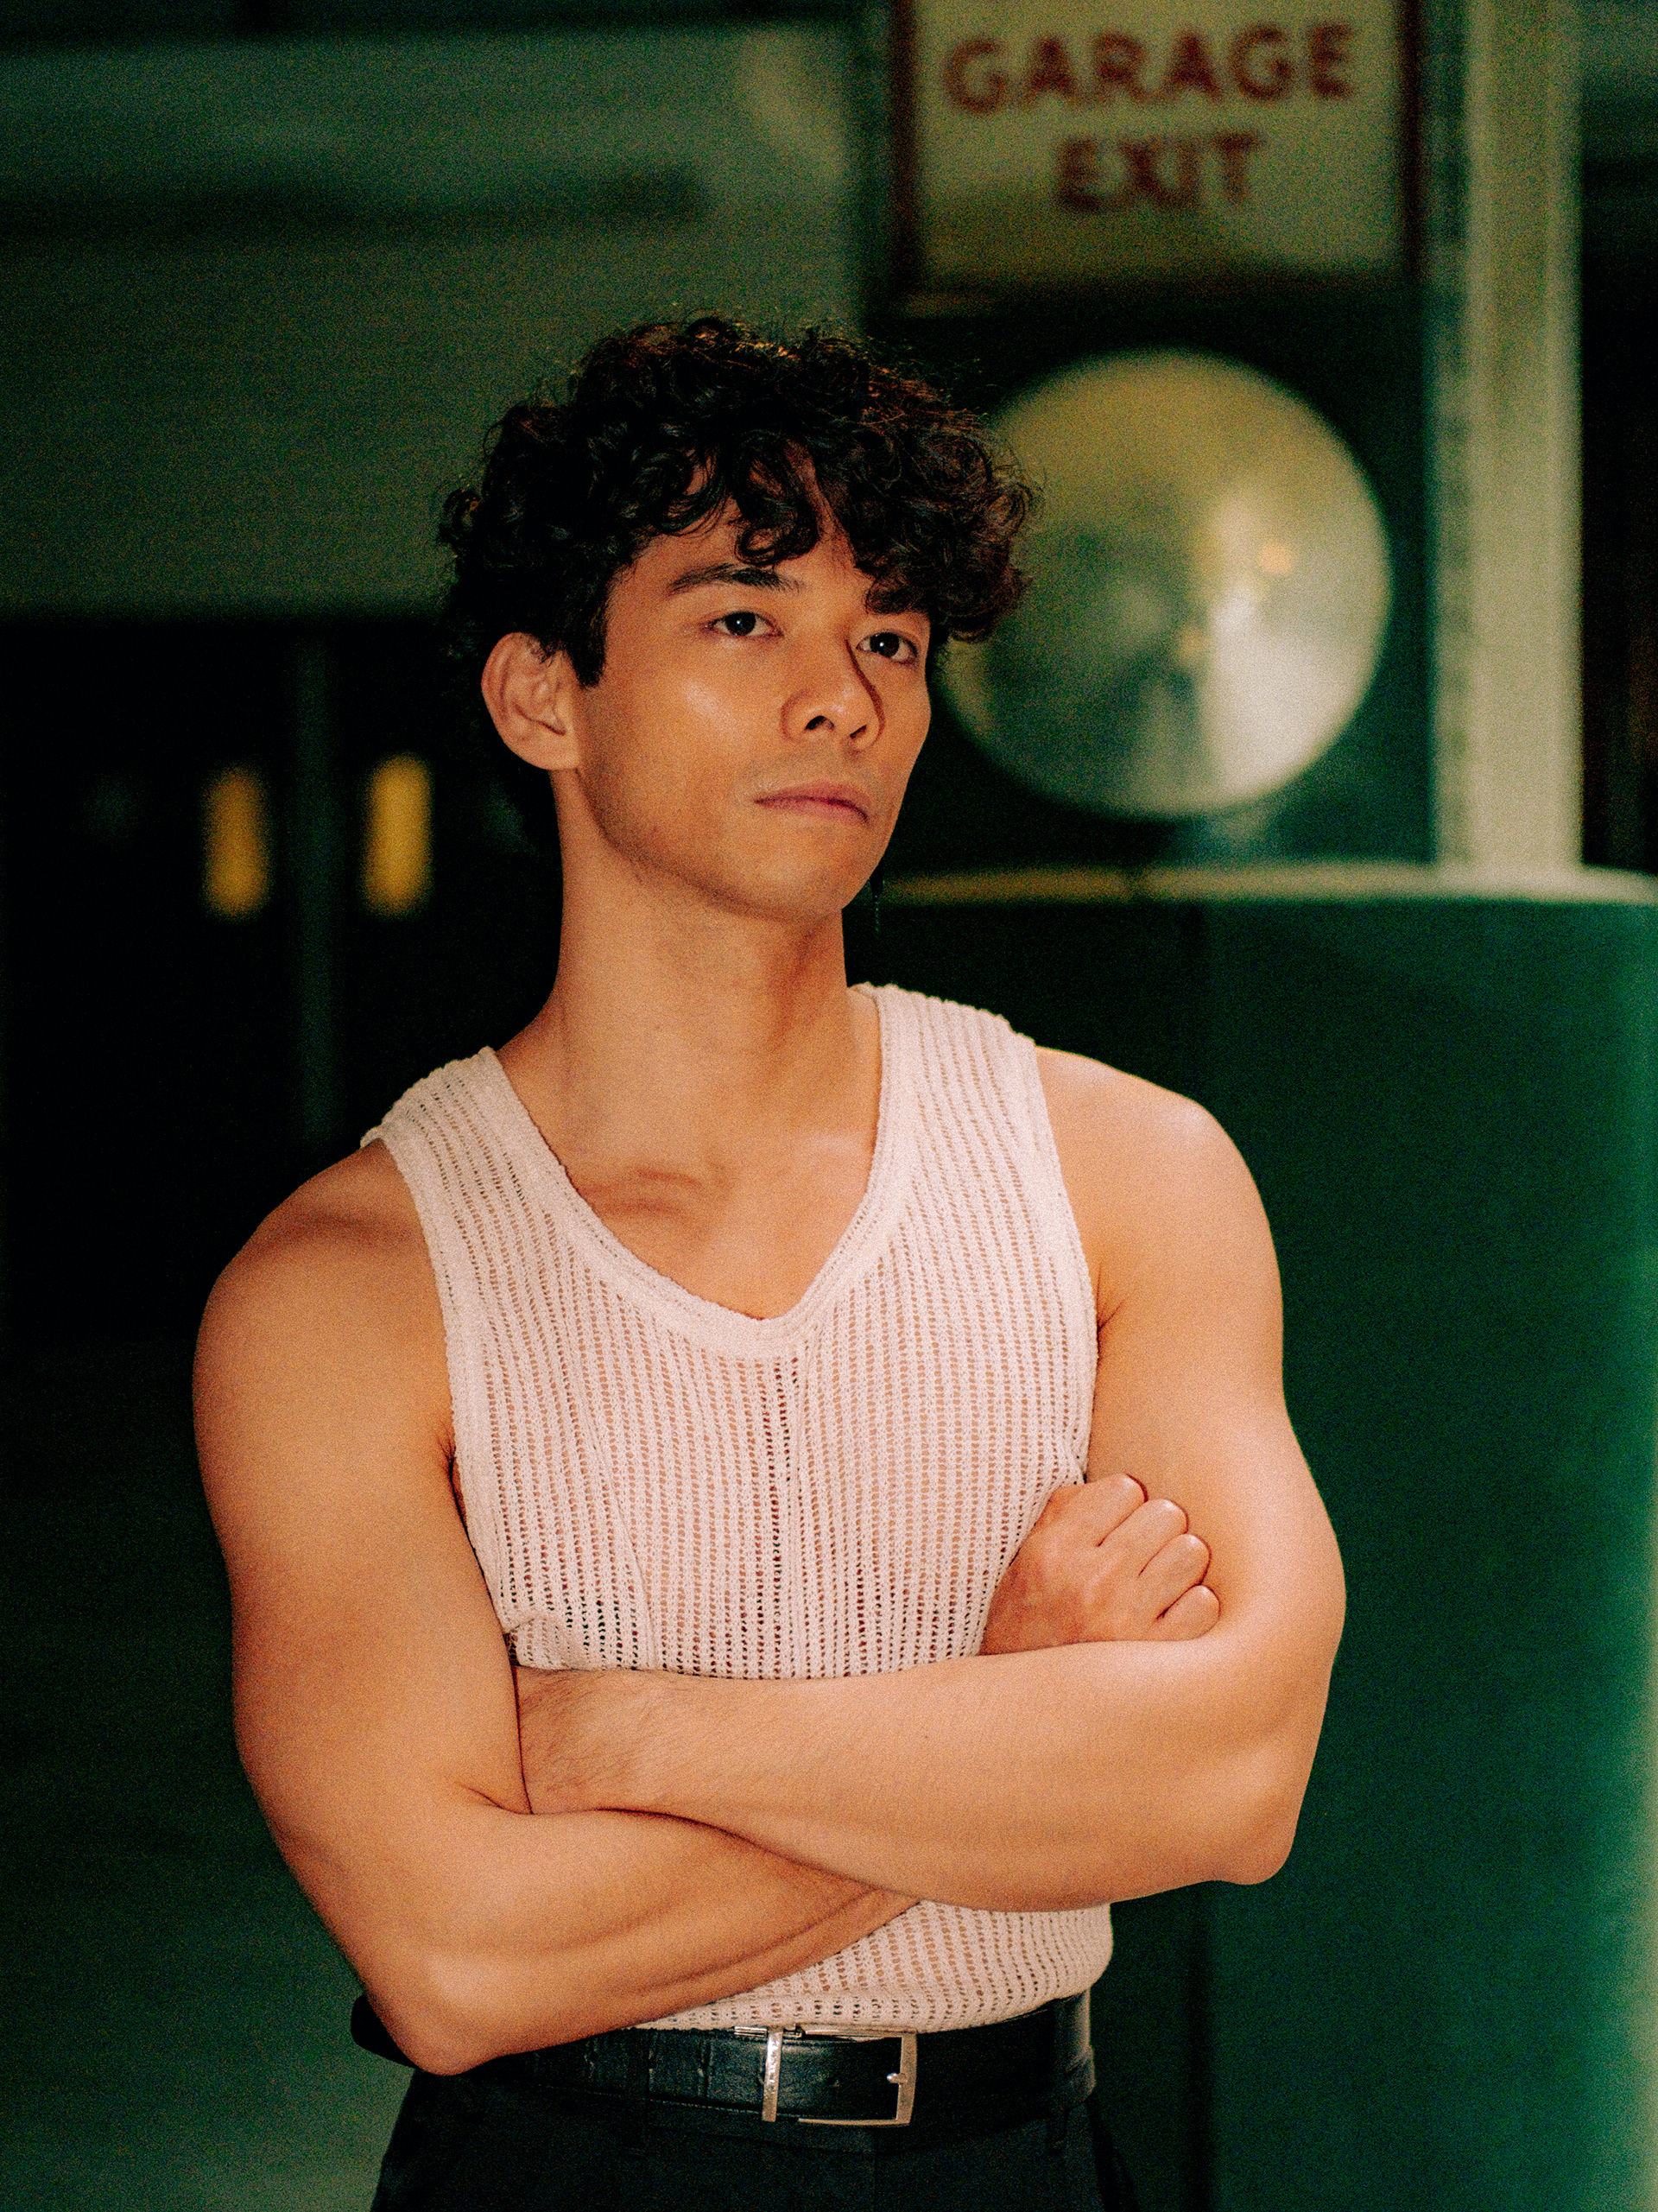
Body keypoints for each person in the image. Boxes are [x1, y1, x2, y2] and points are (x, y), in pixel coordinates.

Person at [194, 315, 1345, 2211]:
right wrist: (1006, 1710)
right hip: (567, 2170)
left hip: (1020, 2160)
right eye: (746, 619)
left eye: (888, 638)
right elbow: (460, 1956)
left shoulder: (1129, 1175)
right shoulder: (349, 1288)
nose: (844, 702)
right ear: (541, 697)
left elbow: (1231, 1783)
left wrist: (640, 1732)